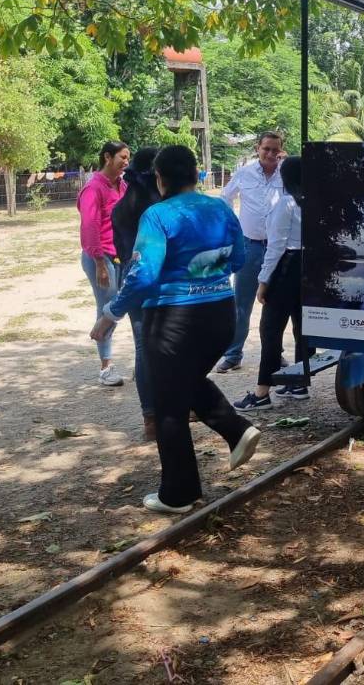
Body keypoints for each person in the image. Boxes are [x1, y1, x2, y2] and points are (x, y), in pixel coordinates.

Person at [91, 146, 261, 514]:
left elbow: (144, 274)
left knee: (169, 403)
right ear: (197, 174)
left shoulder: (157, 215)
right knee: (184, 382)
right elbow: (239, 257)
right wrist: (202, 272)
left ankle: (179, 494)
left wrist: (111, 313)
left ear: (160, 178)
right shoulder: (219, 206)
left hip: (173, 320)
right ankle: (235, 430)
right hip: (220, 315)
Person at [234, 156, 307, 412]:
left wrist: (263, 282)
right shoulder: (312, 204)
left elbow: (275, 248)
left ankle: (262, 393)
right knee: (302, 328)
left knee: (270, 330)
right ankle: (299, 383)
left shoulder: (285, 204)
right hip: (306, 269)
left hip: (286, 269)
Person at [214, 131, 284, 373]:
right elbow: (225, 197)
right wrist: (233, 226)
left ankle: (275, 354)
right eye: (266, 149)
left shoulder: (285, 174)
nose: (270, 154)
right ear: (258, 148)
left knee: (276, 304)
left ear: (281, 151)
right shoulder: (244, 173)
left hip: (277, 248)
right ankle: (233, 354)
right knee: (241, 302)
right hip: (249, 245)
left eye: (275, 150)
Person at [110, 146, 162, 441]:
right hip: (161, 281)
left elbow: (120, 251)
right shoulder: (162, 210)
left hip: (131, 279)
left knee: (143, 347)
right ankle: (184, 405)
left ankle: (150, 418)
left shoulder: (122, 208)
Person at [78, 140, 129, 386]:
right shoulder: (93, 188)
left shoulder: (123, 186)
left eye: (128, 158)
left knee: (117, 305)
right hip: (100, 256)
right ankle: (105, 367)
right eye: (122, 157)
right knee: (108, 307)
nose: (126, 162)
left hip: (119, 255)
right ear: (107, 157)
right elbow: (90, 226)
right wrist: (98, 261)